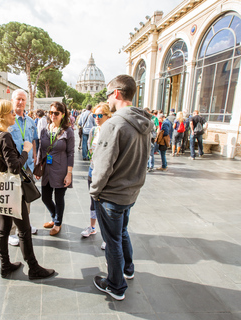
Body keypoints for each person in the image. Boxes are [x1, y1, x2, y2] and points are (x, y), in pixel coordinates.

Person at [90, 74, 152, 301]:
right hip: (130, 192)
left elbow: (103, 165)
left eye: (108, 94)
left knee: (112, 241)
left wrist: (94, 191)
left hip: (112, 195)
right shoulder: (145, 122)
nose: (107, 99)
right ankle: (128, 268)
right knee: (122, 232)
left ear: (116, 93)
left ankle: (116, 285)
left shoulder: (114, 124)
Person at [0, 99, 55, 280]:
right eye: (11, 112)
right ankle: (33, 267)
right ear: (2, 115)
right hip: (12, 190)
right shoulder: (4, 136)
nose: (14, 114)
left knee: (3, 228)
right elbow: (14, 167)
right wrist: (26, 151)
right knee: (23, 230)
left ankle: (5, 265)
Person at [36, 102, 74, 236]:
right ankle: (54, 217)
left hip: (61, 170)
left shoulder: (68, 131)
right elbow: (41, 150)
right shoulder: (44, 130)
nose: (53, 115)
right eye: (50, 112)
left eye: (56, 113)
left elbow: (70, 153)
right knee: (45, 198)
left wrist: (69, 174)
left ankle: (57, 223)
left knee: (59, 198)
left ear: (63, 114)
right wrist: (38, 167)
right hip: (46, 169)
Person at [8, 89, 38, 246]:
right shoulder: (8, 120)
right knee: (14, 199)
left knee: (28, 197)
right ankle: (12, 231)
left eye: (23, 100)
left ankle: (25, 225)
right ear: (12, 100)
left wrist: (35, 157)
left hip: (28, 166)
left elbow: (33, 141)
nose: (20, 102)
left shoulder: (31, 121)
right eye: (18, 99)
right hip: (14, 167)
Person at [81, 103, 111, 242]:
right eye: (95, 115)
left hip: (105, 173)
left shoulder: (111, 131)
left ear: (107, 116)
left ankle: (107, 236)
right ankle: (92, 227)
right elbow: (90, 150)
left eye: (100, 115)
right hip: (92, 169)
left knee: (105, 203)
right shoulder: (93, 131)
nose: (97, 118)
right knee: (93, 200)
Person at [144, 107, 157, 172]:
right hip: (149, 138)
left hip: (149, 138)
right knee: (149, 153)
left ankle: (150, 166)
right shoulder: (151, 121)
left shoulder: (149, 121)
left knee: (150, 153)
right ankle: (148, 166)